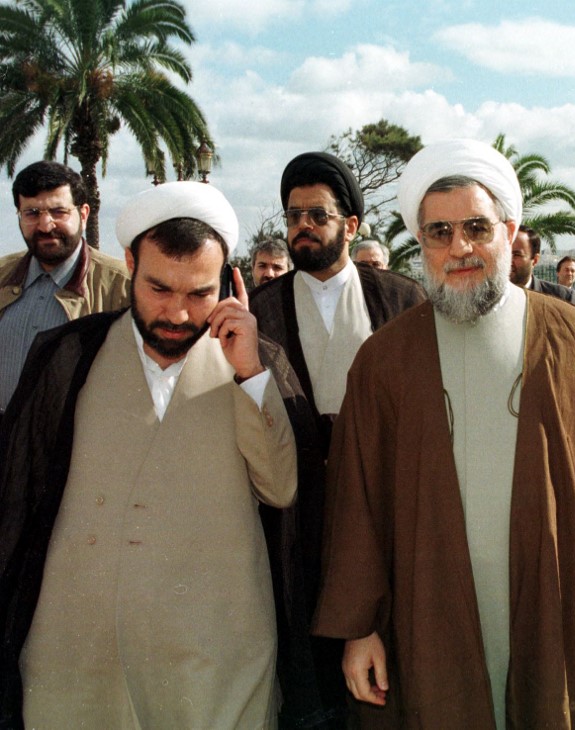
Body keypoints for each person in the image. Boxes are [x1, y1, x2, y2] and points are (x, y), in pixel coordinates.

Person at [313, 139, 575, 728]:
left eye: (476, 227)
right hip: (428, 613)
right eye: (438, 233)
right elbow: (358, 503)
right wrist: (360, 629)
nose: (459, 248)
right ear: (421, 245)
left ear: (509, 232)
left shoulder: (574, 337)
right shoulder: (384, 360)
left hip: (551, 609)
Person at [0, 181, 299, 727]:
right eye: (160, 289)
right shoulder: (70, 356)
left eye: (199, 294)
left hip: (213, 659)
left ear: (229, 285)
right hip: (79, 656)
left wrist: (251, 375)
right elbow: (18, 493)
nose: (179, 315)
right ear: (131, 264)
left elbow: (281, 489)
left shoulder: (256, 363)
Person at [247, 151, 424, 726]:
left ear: (350, 225)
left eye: (317, 215)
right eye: (293, 215)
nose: (302, 226)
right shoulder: (260, 308)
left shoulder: (400, 301)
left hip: (380, 507)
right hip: (290, 513)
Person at [0, 161, 130, 413]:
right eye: (32, 213)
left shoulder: (122, 285)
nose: (46, 225)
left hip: (74, 443)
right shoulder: (3, 276)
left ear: (83, 214)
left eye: (58, 212)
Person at [509, 225, 575, 311]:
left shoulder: (563, 299)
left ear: (535, 260)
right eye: (506, 253)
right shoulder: (493, 298)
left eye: (516, 255)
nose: (509, 260)